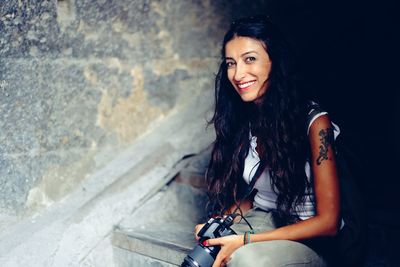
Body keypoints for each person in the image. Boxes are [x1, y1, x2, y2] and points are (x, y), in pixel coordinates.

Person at [194, 16, 342, 267]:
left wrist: (246, 240)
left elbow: (328, 222)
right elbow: (262, 195)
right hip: (265, 219)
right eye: (231, 63)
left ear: (275, 62)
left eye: (250, 59)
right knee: (209, 253)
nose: (238, 74)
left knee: (246, 260)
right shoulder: (247, 118)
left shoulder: (316, 123)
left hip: (309, 238)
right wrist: (219, 222)